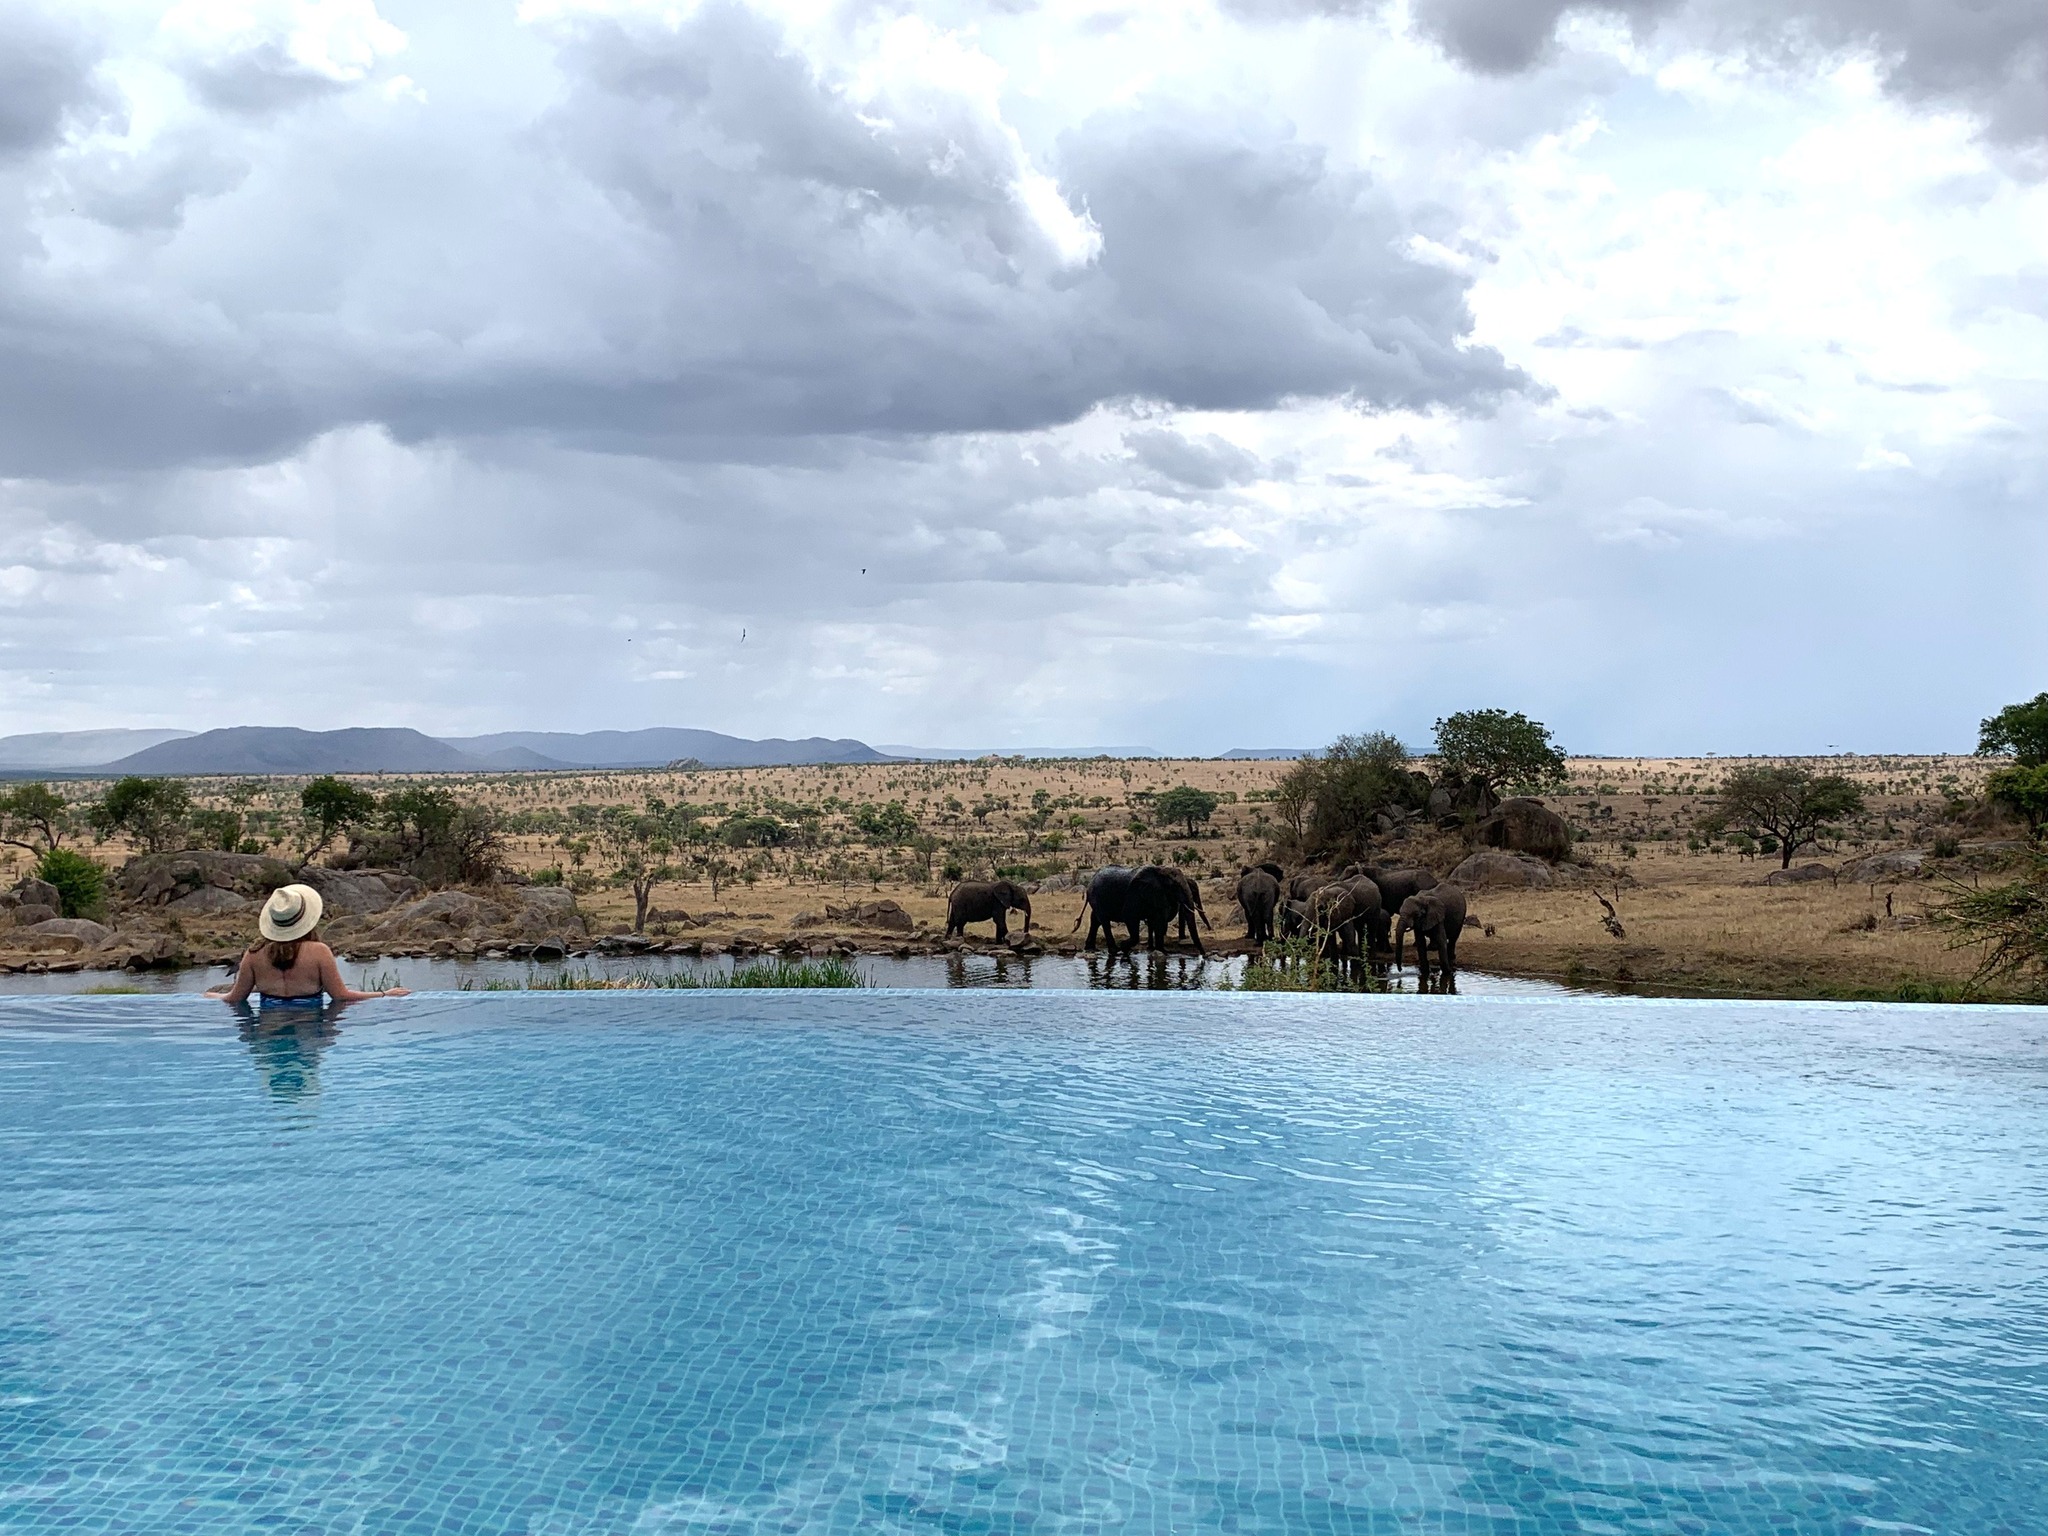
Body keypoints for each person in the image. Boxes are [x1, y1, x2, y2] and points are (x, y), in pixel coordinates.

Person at [210, 883, 409, 1005]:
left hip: (267, 1029)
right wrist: (384, 994)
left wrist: (211, 996)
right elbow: (341, 996)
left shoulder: (254, 954)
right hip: (309, 1029)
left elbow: (234, 999)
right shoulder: (319, 952)